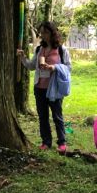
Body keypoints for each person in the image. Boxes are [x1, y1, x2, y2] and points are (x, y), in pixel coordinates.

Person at [17, 21, 72, 154]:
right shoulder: (39, 49)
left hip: (54, 89)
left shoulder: (61, 50)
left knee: (57, 116)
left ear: (52, 33)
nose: (43, 35)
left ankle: (62, 142)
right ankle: (46, 142)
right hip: (39, 88)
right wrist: (23, 58)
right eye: (41, 32)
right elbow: (31, 66)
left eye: (46, 32)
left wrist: (54, 67)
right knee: (43, 116)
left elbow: (69, 68)